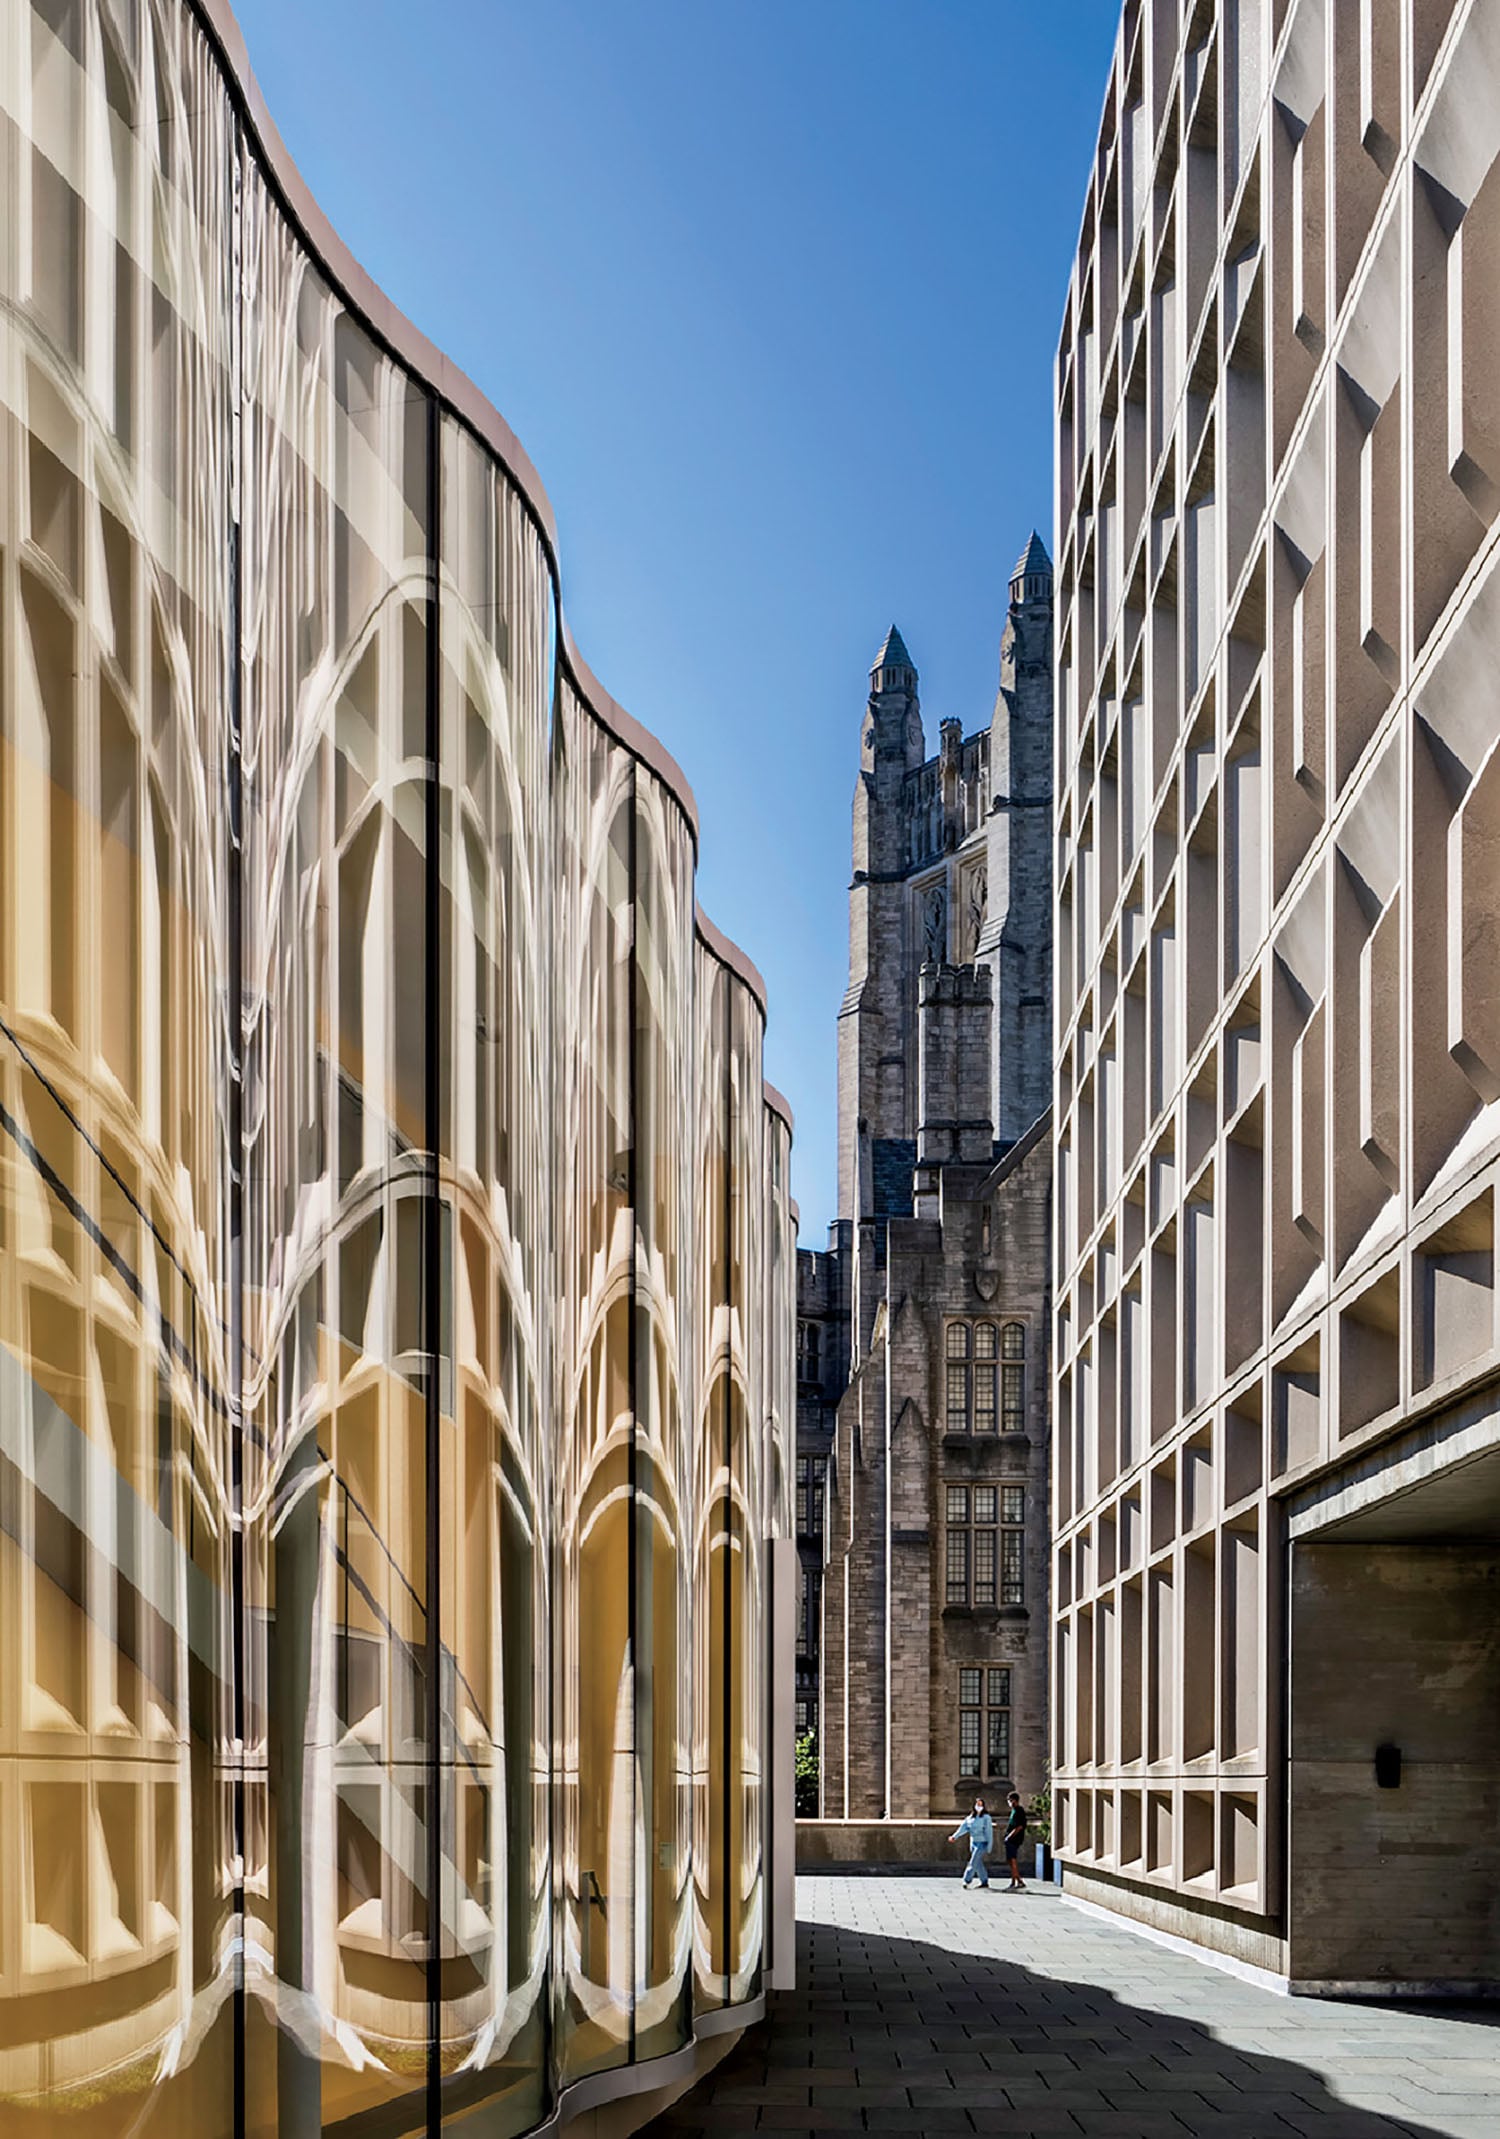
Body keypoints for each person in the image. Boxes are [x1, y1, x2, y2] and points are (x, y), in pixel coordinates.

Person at [949, 1797, 993, 1889]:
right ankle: (984, 1880)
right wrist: (954, 1836)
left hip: (982, 1842)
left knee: (973, 1862)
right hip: (973, 1842)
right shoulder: (970, 1818)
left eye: (981, 1804)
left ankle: (967, 1880)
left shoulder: (986, 1818)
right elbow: (963, 1828)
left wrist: (989, 1845)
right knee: (978, 1863)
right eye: (977, 1804)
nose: (979, 1806)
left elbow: (989, 1832)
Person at [1003, 1790, 1028, 1890]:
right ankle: (1019, 1881)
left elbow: (1019, 1826)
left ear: (1014, 1800)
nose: (1009, 1803)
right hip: (1010, 1839)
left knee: (1013, 1860)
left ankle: (1014, 1882)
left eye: (1010, 1800)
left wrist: (1010, 1837)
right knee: (1010, 1860)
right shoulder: (1014, 1810)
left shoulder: (1019, 1811)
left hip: (1014, 1840)